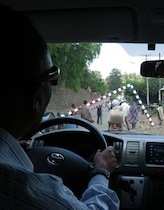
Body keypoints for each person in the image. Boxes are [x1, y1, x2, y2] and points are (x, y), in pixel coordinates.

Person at [0, 5, 119, 209]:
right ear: (37, 97)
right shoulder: (18, 188)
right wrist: (101, 172)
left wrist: (8, 148)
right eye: (51, 76)